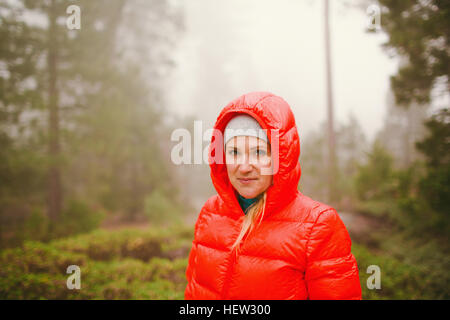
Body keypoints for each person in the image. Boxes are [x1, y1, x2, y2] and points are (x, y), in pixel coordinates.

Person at [184, 91, 362, 300]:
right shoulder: (210, 213)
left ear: (281, 156)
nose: (244, 167)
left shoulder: (318, 226)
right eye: (234, 152)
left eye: (258, 152)